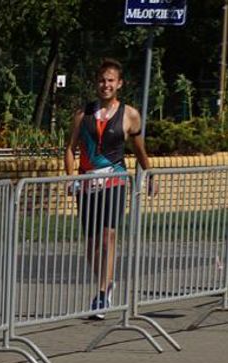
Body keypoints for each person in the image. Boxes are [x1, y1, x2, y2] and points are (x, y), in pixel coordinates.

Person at [64, 58, 152, 320]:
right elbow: (70, 148)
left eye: (111, 80)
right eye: (102, 80)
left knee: (108, 235)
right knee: (92, 243)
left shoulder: (129, 114)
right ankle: (106, 281)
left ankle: (102, 294)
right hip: (87, 182)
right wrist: (70, 177)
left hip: (115, 179)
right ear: (96, 83)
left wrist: (149, 174)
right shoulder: (83, 114)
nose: (106, 85)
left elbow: (139, 149)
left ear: (119, 84)